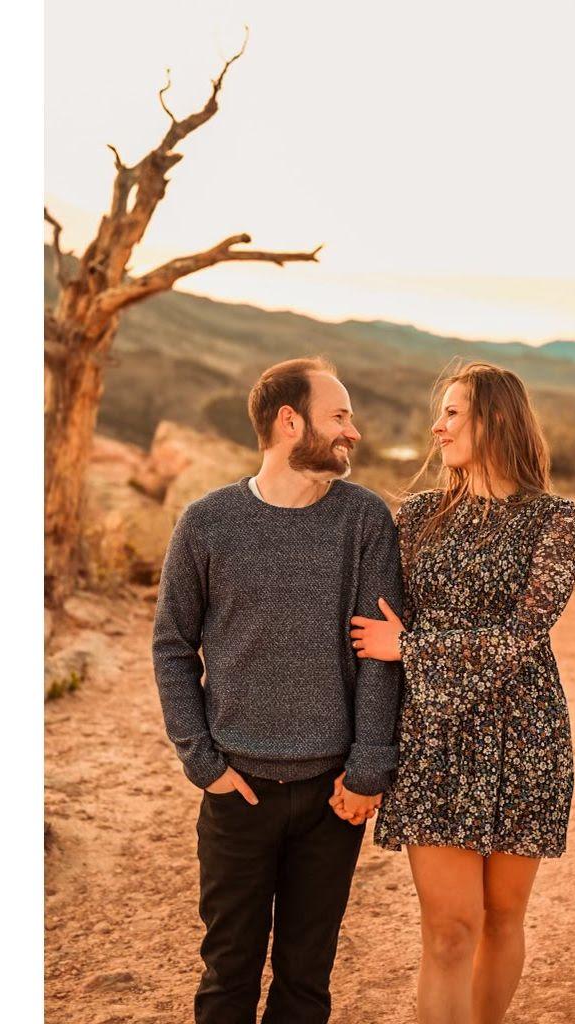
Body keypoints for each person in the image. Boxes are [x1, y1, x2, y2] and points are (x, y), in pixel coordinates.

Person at [152, 355, 403, 1024]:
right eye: (339, 416)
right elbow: (172, 645)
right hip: (238, 790)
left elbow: (380, 656)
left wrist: (368, 767)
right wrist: (203, 763)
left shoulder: (365, 521)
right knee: (227, 974)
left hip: (332, 798)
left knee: (305, 980)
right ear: (291, 422)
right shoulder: (207, 523)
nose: (353, 431)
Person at [347, 361, 575, 1024]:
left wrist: (412, 648)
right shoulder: (416, 516)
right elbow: (377, 627)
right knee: (450, 931)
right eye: (441, 413)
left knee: (503, 918)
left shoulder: (554, 520)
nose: (438, 426)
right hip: (433, 739)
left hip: (524, 736)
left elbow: (523, 635)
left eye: (452, 413)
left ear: (496, 419)